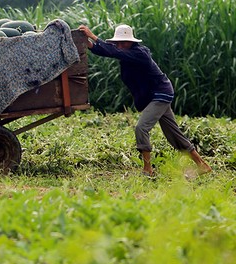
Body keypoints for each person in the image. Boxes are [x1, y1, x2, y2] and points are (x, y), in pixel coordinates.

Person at [78, 24, 211, 177]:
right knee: (174, 135)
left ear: (131, 42)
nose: (120, 45)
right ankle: (202, 165)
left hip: (160, 94)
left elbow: (113, 51)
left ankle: (148, 170)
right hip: (152, 96)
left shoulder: (139, 54)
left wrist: (93, 36)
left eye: (123, 42)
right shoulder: (124, 53)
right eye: (118, 43)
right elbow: (108, 51)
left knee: (141, 128)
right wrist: (88, 44)